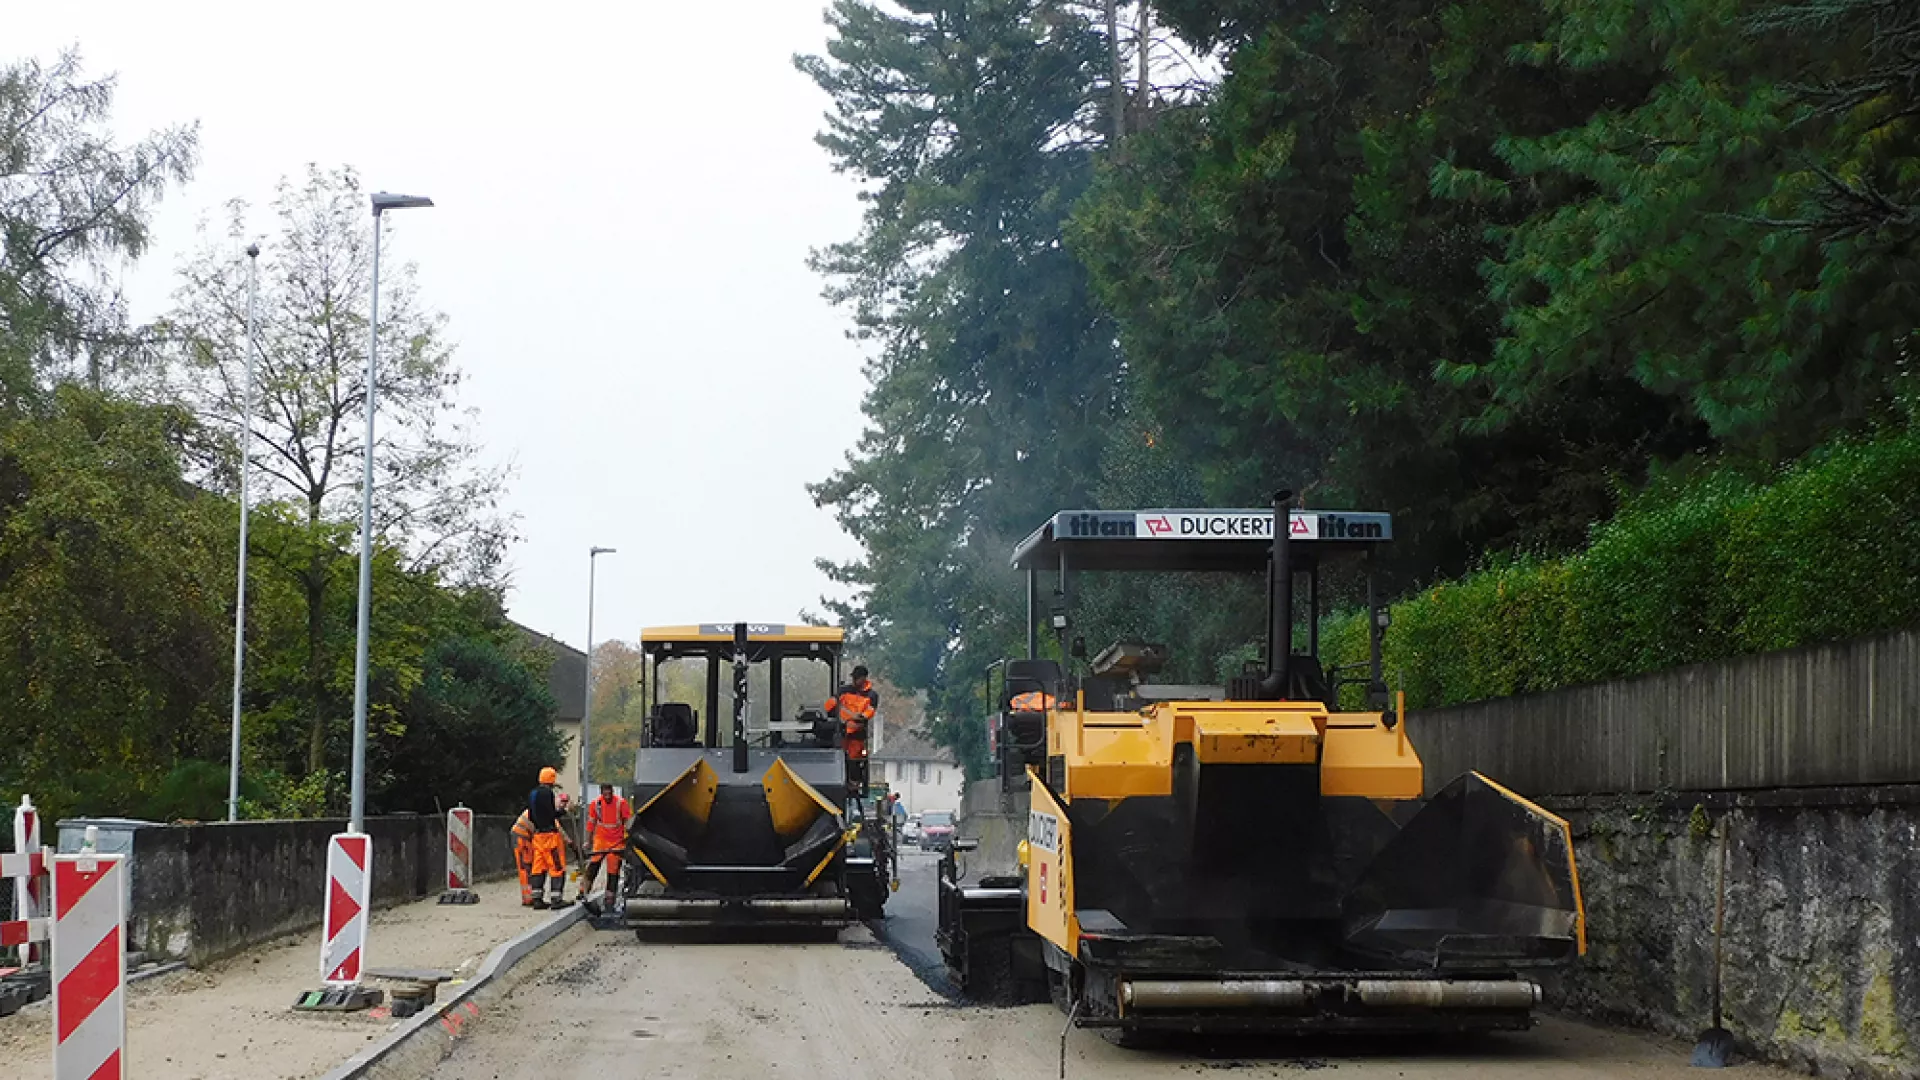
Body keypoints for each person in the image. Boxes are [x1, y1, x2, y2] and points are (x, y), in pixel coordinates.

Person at [578, 782, 634, 907]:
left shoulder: (621, 803)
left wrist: (628, 839)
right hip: (601, 840)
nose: (608, 797)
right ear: (601, 793)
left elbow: (628, 822)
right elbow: (591, 823)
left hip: (616, 842)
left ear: (612, 792)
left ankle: (609, 899)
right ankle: (583, 891)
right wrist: (588, 841)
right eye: (605, 794)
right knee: (593, 866)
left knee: (613, 871)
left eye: (609, 794)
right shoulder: (596, 804)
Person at [825, 665, 880, 790]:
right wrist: (834, 703)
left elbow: (869, 712)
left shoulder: (871, 695)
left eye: (857, 678)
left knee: (855, 759)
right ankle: (839, 779)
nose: (854, 681)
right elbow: (829, 706)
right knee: (839, 756)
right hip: (841, 730)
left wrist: (860, 718)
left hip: (857, 732)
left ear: (864, 678)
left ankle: (853, 782)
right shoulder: (843, 691)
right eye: (854, 678)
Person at [527, 767, 572, 910]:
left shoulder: (533, 793)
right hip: (550, 837)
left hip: (537, 836)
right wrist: (563, 811)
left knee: (538, 867)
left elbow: (531, 816)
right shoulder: (547, 793)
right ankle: (556, 900)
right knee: (557, 867)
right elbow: (551, 814)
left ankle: (537, 899)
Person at [509, 806, 537, 906]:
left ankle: (528, 896)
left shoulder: (533, 811)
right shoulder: (538, 812)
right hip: (522, 839)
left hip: (523, 838)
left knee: (526, 868)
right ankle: (528, 898)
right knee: (525, 868)